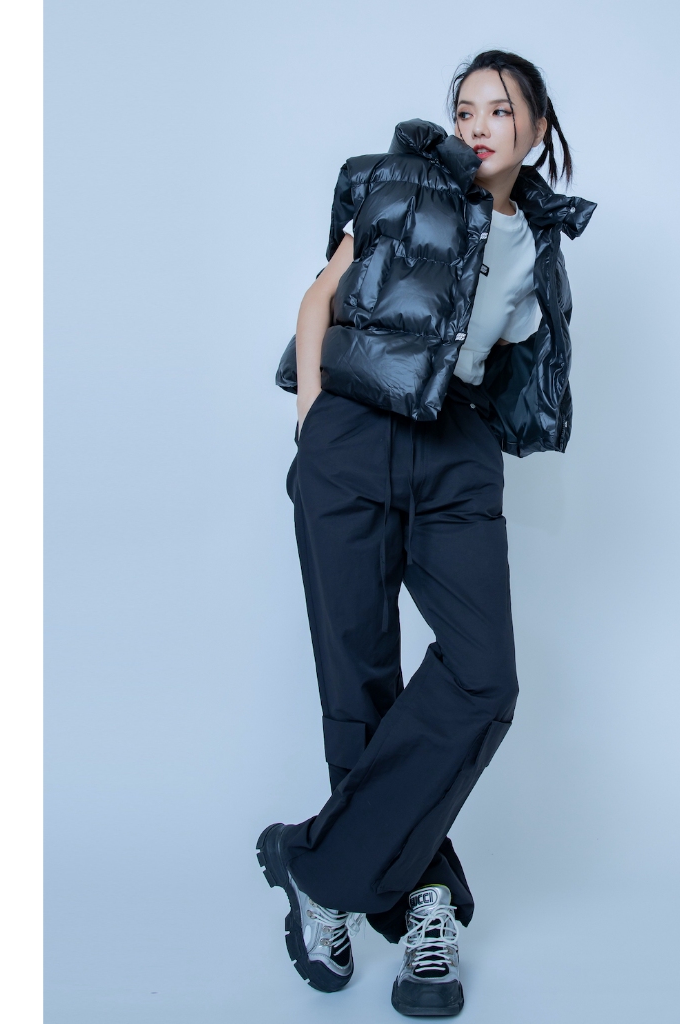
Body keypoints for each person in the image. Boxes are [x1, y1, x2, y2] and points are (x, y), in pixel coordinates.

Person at [257, 49, 595, 1017]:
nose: (479, 126)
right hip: (354, 432)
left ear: (538, 128)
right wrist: (313, 424)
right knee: (358, 680)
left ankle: (318, 870)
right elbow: (321, 297)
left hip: (456, 447)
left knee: (484, 677)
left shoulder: (540, 244)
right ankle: (424, 904)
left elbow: (512, 361)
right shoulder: (403, 187)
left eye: (501, 110)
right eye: (466, 109)